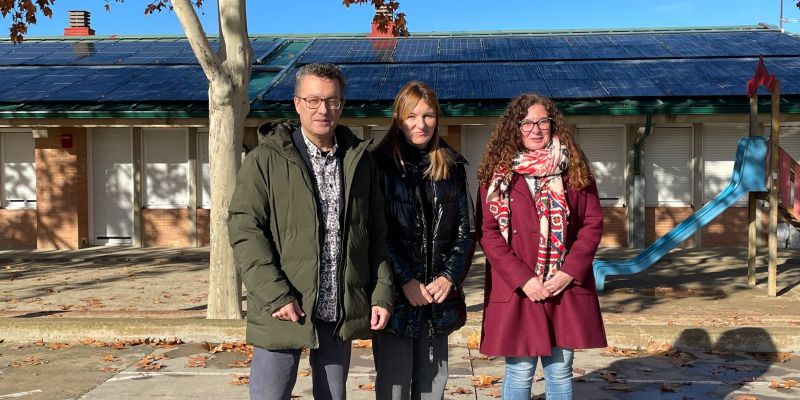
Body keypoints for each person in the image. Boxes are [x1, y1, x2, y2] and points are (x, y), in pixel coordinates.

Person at [227, 63, 394, 400]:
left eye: (332, 101)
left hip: (338, 310)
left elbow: (376, 234)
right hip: (284, 308)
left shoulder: (359, 162)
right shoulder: (265, 160)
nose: (323, 109)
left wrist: (381, 293)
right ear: (297, 103)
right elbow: (246, 231)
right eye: (314, 99)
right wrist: (275, 294)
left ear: (342, 105)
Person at [475, 93, 606, 400]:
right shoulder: (497, 174)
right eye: (527, 122)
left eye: (542, 121)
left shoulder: (574, 167)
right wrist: (524, 279)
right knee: (520, 370)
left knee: (560, 369)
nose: (536, 129)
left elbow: (592, 224)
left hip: (564, 288)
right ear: (514, 128)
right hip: (519, 289)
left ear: (553, 123)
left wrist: (569, 272)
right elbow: (488, 232)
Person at [371, 80, 476, 400]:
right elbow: (377, 233)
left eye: (428, 115)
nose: (421, 124)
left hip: (436, 300)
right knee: (394, 386)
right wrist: (405, 280)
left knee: (433, 387)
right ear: (398, 119)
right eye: (412, 116)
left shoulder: (452, 166)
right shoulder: (379, 165)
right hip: (397, 300)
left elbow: (466, 230)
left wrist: (449, 277)